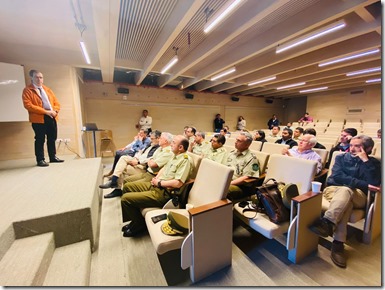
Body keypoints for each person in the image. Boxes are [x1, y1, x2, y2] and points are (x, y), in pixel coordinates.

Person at [309, 135, 381, 268]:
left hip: (359, 196)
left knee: (346, 191)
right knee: (345, 196)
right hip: (333, 190)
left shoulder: (374, 163)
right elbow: (336, 176)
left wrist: (365, 161)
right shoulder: (341, 157)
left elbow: (375, 183)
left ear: (369, 148)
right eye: (351, 145)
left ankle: (328, 222)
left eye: (357, 146)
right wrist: (361, 183)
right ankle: (337, 244)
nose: (352, 149)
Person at [120, 135, 193, 237]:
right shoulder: (174, 155)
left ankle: (139, 224)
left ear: (180, 147)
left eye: (173, 143)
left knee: (125, 199)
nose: (171, 144)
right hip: (157, 184)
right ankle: (135, 220)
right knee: (128, 187)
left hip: (164, 193)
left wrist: (159, 183)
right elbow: (164, 168)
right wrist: (157, 178)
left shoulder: (185, 160)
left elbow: (178, 183)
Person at [104, 132, 174, 199]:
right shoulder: (159, 148)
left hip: (148, 170)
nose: (159, 139)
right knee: (122, 161)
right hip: (144, 166)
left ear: (165, 141)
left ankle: (115, 183)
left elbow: (152, 163)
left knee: (122, 165)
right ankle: (115, 183)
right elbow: (149, 157)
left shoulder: (166, 151)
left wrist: (140, 161)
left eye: (160, 138)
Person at [22, 70, 64, 167]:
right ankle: (40, 159)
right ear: (31, 78)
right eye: (36, 77)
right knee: (40, 139)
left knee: (52, 138)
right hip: (38, 118)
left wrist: (55, 111)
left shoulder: (47, 89)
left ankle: (53, 157)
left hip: (51, 117)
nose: (39, 79)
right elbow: (28, 105)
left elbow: (56, 103)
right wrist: (46, 111)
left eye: (41, 77)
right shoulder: (28, 90)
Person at [226, 132, 260, 201]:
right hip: (227, 180)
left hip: (240, 186)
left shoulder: (252, 158)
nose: (235, 142)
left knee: (222, 189)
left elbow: (247, 177)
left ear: (247, 144)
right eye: (236, 140)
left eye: (239, 141)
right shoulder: (231, 153)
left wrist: (228, 184)